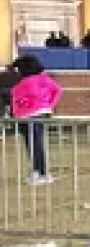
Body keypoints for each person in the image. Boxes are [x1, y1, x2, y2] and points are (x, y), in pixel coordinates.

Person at [10, 54, 62, 184]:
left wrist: (15, 115)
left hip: (29, 115)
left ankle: (42, 173)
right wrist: (50, 105)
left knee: (34, 144)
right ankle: (38, 171)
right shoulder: (44, 79)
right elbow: (57, 90)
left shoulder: (25, 82)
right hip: (40, 113)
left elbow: (15, 99)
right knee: (35, 144)